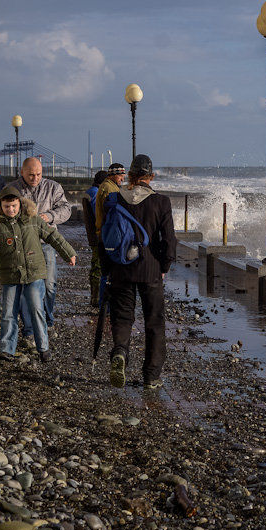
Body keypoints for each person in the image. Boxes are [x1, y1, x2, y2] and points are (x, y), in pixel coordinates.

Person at [0, 185, 76, 361]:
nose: (10, 209)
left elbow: (52, 236)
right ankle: (7, 349)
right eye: (6, 207)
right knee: (8, 312)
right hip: (11, 275)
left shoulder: (33, 220)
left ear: (20, 203)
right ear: (0, 207)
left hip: (34, 273)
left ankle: (43, 347)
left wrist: (69, 253)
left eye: (14, 206)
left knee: (36, 308)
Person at [105, 155, 177, 389]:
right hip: (151, 269)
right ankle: (151, 376)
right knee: (154, 322)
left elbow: (105, 235)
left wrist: (107, 267)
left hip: (120, 268)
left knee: (123, 317)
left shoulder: (115, 199)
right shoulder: (161, 202)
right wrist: (164, 266)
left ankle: (120, 353)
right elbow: (169, 240)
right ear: (151, 177)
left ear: (131, 176)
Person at [11, 157, 72, 338]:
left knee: (49, 285)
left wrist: (50, 216)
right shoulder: (13, 189)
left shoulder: (53, 187)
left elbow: (66, 209)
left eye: (38, 174)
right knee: (25, 286)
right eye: (30, 175)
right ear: (22, 172)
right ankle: (29, 329)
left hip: (47, 243)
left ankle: (47, 319)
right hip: (21, 243)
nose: (35, 178)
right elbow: (2, 211)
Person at [82, 170, 109, 305]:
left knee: (96, 266)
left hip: (93, 235)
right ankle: (96, 298)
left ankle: (95, 297)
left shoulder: (91, 191)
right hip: (98, 236)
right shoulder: (95, 193)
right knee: (98, 266)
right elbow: (98, 213)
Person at [94, 162, 126, 238]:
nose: (122, 179)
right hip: (108, 232)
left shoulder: (109, 185)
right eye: (120, 176)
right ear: (113, 175)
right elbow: (113, 213)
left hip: (106, 230)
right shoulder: (109, 188)